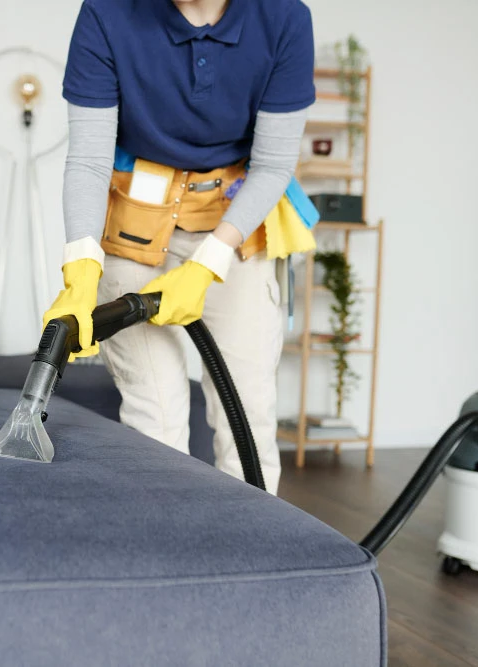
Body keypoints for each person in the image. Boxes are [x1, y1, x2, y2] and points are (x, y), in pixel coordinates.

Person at [43, 0, 316, 494]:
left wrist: (207, 263)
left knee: (247, 418)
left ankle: (250, 541)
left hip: (235, 228)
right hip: (136, 229)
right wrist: (81, 270)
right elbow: (88, 160)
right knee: (155, 423)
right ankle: (165, 541)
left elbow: (273, 166)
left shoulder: (283, 18)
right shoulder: (108, 13)